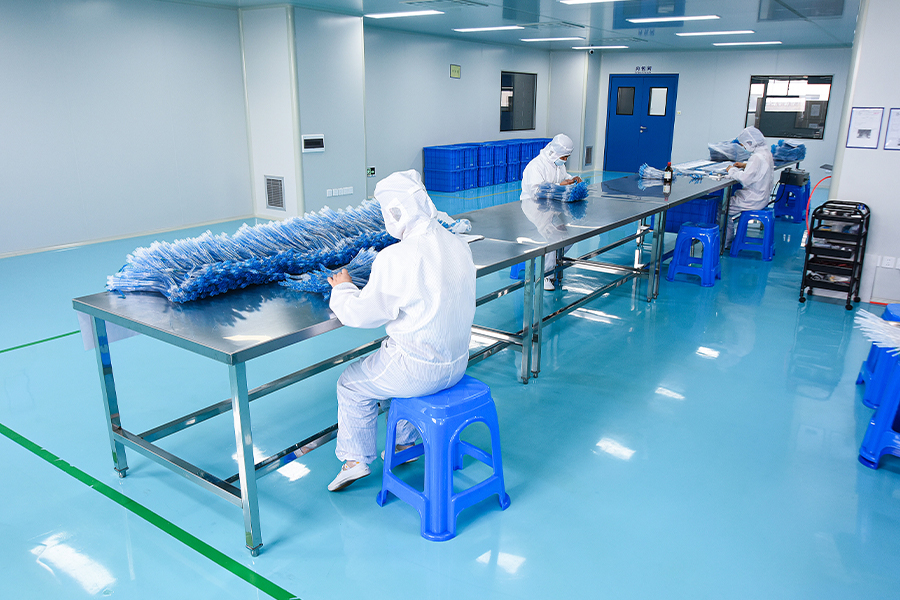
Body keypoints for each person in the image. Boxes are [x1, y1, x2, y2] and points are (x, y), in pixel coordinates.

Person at [325, 170, 477, 492]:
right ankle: (403, 443)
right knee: (401, 373)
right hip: (457, 364)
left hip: (418, 370)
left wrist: (343, 289)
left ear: (394, 212)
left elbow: (362, 314)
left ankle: (354, 460)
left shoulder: (397, 257)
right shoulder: (458, 244)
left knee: (351, 384)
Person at [521, 134, 583, 291]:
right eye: (563, 157)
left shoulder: (557, 164)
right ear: (554, 153)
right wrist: (560, 185)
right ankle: (545, 275)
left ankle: (552, 263)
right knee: (553, 238)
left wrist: (571, 179)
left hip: (552, 207)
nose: (565, 160)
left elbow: (563, 177)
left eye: (567, 157)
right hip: (534, 208)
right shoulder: (536, 166)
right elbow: (536, 192)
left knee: (569, 237)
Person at [723, 126, 775, 248]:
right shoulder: (766, 153)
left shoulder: (756, 157)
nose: (744, 147)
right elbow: (760, 168)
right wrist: (745, 165)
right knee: (727, 205)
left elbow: (745, 179)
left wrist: (732, 170)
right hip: (763, 198)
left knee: (722, 209)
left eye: (743, 145)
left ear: (750, 143)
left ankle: (725, 243)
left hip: (753, 199)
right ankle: (728, 239)